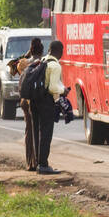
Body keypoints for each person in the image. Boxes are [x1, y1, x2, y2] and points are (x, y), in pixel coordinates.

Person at [28, 39, 68, 175]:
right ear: (60, 52)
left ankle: (39, 163)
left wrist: (60, 87)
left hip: (34, 100)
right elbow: (52, 87)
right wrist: (64, 91)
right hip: (45, 102)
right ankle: (44, 165)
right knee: (46, 133)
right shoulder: (55, 66)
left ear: (49, 50)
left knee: (36, 132)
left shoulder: (42, 60)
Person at [9, 38, 44, 171]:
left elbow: (12, 70)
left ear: (31, 49)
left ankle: (30, 162)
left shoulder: (23, 63)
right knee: (39, 130)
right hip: (37, 99)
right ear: (41, 51)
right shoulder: (42, 62)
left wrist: (27, 53)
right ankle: (40, 160)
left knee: (29, 130)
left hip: (25, 100)